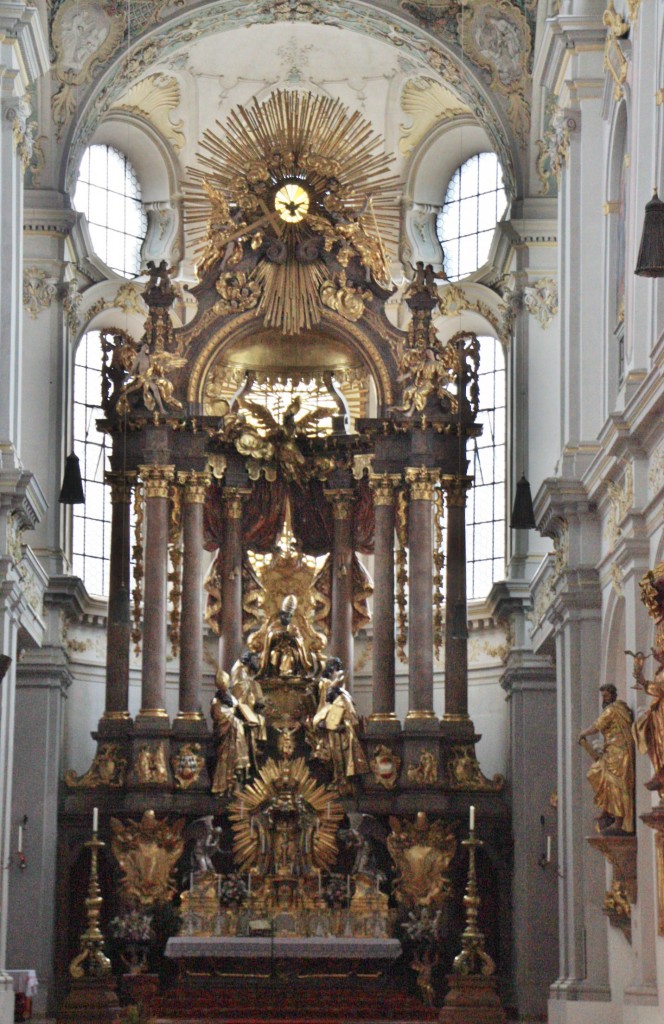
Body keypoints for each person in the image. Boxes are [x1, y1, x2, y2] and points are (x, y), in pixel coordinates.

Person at [578, 683, 635, 833]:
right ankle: (608, 810)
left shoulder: (612, 710)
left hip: (618, 753)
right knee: (599, 775)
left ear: (613, 695)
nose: (604, 699)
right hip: (613, 751)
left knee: (615, 784)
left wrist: (583, 733)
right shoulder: (619, 709)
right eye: (602, 696)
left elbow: (597, 725)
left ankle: (618, 821)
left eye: (606, 696)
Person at [312, 658, 369, 789]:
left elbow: (353, 720)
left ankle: (342, 781)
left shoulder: (344, 700)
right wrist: (322, 725)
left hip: (341, 737)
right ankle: (337, 779)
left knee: (341, 761)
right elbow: (318, 719)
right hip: (331, 737)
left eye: (329, 692)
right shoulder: (328, 704)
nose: (327, 694)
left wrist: (343, 726)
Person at [255, 594, 317, 679]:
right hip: (276, 649)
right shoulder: (274, 625)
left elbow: (300, 640)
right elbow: (269, 637)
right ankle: (274, 675)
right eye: (285, 615)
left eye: (289, 616)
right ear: (281, 615)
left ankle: (287, 674)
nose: (287, 618)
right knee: (275, 655)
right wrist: (277, 635)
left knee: (289, 656)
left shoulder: (293, 628)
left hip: (290, 650)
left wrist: (293, 638)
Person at [210, 670, 250, 795]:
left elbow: (238, 710)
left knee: (237, 761)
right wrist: (234, 720)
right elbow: (218, 717)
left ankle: (236, 787)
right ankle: (223, 788)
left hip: (237, 735)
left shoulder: (232, 698)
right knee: (224, 761)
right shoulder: (216, 701)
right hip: (227, 735)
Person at [631, 650, 664, 794]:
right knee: (656, 745)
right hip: (658, 714)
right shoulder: (659, 671)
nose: (659, 656)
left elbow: (661, 689)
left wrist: (644, 682)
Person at [231, 650, 267, 769]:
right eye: (256, 660)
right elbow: (238, 695)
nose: (258, 663)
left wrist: (258, 702)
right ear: (249, 660)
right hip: (242, 715)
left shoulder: (250, 679)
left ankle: (257, 748)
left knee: (260, 720)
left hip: (250, 712)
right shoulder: (240, 672)